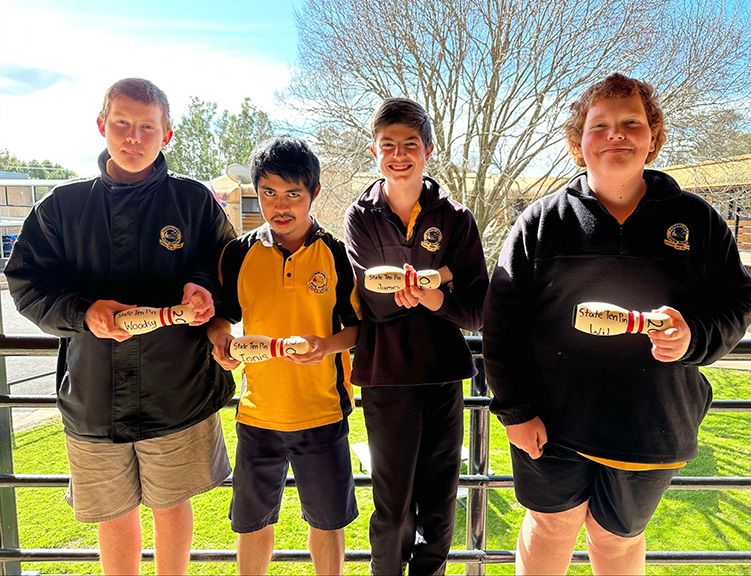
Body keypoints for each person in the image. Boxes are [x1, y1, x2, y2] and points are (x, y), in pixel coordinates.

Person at [482, 72, 751, 575]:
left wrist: (693, 337)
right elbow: (501, 325)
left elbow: (737, 305)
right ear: (578, 143)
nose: (615, 135)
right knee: (550, 526)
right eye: (599, 125)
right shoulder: (540, 222)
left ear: (653, 138)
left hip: (652, 422)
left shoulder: (697, 221)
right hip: (550, 421)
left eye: (631, 123)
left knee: (617, 540)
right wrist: (515, 411)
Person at [4, 78, 236, 575]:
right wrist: (83, 312)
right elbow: (26, 283)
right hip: (93, 397)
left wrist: (203, 288)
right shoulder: (60, 207)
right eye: (122, 123)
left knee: (172, 505)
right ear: (101, 125)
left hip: (177, 392)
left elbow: (227, 268)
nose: (134, 137)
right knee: (113, 515)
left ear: (166, 135)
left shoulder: (195, 201)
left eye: (147, 127)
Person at [343, 98, 488, 575]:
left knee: (439, 506)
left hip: (442, 376)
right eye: (388, 145)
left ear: (428, 149)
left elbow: (476, 311)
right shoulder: (360, 216)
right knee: (393, 508)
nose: (399, 155)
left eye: (410, 144)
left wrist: (435, 297)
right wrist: (442, 274)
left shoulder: (457, 218)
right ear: (374, 151)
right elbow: (375, 301)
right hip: (385, 376)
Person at [207, 136, 360, 576]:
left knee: (327, 524)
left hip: (323, 413)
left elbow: (358, 328)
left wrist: (326, 346)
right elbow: (220, 316)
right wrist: (221, 341)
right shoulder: (237, 254)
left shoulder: (337, 254)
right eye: (269, 192)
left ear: (313, 193)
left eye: (293, 193)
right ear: (256, 192)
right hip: (258, 415)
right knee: (252, 525)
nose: (280, 205)